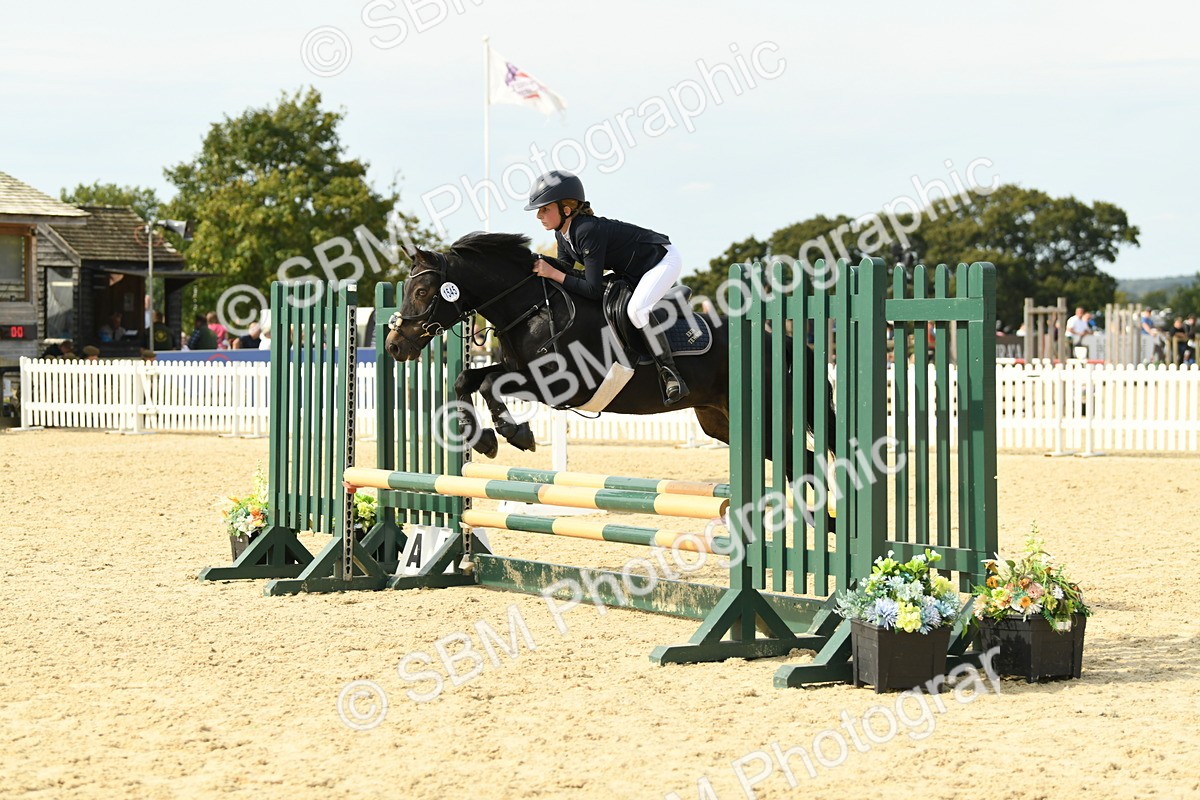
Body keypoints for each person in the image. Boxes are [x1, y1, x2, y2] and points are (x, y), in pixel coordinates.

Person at [525, 170, 688, 404]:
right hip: (631, 269)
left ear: (566, 209)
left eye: (545, 209)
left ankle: (670, 374)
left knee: (637, 311)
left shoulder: (586, 230)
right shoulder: (563, 234)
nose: (539, 215)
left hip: (661, 260)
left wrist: (553, 272)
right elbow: (566, 271)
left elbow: (592, 289)